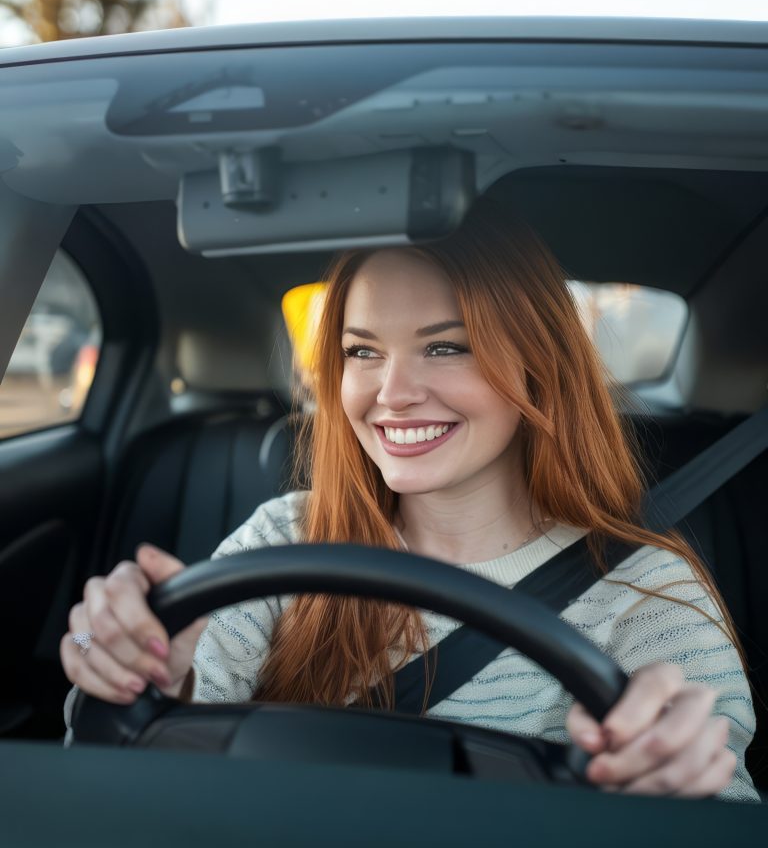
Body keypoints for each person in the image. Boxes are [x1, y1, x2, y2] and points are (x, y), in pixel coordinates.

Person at [61, 201, 758, 802]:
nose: (392, 393)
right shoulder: (286, 537)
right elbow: (151, 771)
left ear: (538, 365)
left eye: (446, 347)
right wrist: (138, 670)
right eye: (363, 353)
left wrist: (678, 790)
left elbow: (721, 846)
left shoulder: (647, 593)